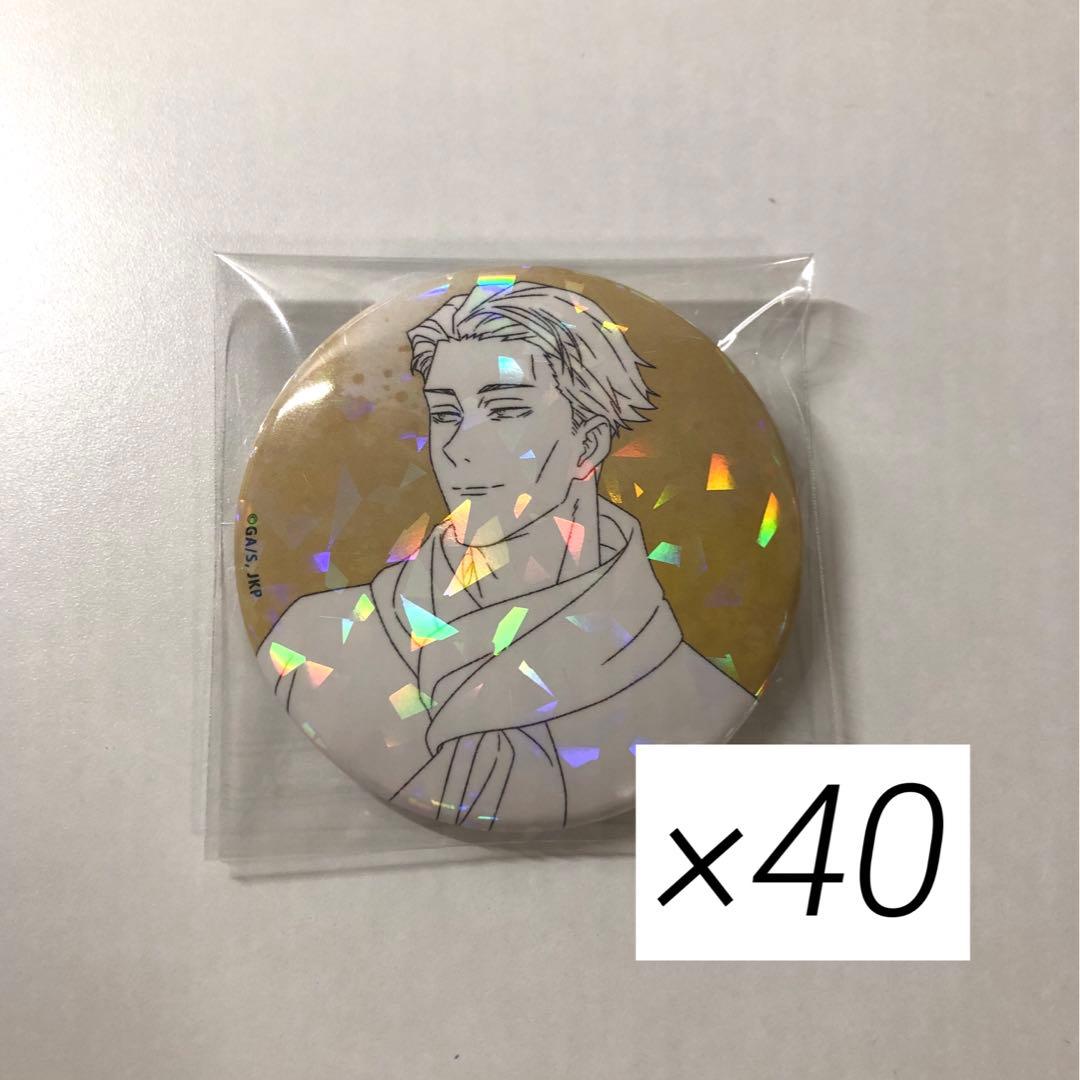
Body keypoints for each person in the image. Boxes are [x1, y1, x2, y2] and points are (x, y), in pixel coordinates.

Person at [257, 280, 754, 830]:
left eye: (506, 410)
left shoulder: (693, 703)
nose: (458, 446)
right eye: (446, 413)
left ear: (588, 444)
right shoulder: (311, 644)